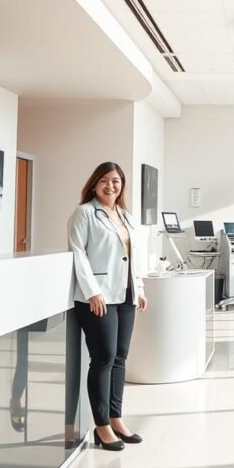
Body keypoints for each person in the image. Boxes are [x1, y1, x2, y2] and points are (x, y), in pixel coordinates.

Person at [68, 162, 148, 451]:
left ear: (122, 184)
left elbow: (133, 256)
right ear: (94, 184)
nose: (110, 186)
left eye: (115, 181)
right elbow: (78, 253)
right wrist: (92, 292)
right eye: (104, 180)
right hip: (98, 297)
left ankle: (116, 419)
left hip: (125, 294)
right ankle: (101, 426)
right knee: (103, 358)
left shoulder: (126, 216)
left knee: (120, 358)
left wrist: (139, 289)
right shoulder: (84, 213)